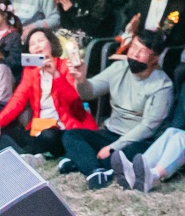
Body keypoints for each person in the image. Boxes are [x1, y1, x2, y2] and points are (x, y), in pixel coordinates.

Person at [118, 39, 185, 191]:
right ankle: (135, 170)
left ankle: (153, 175)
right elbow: (178, 122)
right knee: (172, 131)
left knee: (180, 136)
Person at [69, 30, 174, 185]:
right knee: (71, 136)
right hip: (111, 132)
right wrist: (81, 80)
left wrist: (113, 148)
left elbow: (148, 127)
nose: (135, 54)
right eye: (134, 47)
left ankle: (83, 162)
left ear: (154, 58)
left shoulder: (162, 85)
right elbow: (89, 93)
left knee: (130, 154)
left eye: (142, 51)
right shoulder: (119, 67)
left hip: (137, 140)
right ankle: (95, 171)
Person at [0, 28, 96, 161]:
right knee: (0, 131)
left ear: (51, 44)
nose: (36, 46)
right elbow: (17, 100)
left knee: (49, 135)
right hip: (38, 128)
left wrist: (56, 75)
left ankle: (15, 153)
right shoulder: (30, 71)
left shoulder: (66, 66)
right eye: (32, 44)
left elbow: (74, 103)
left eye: (40, 41)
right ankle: (27, 155)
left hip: (64, 129)